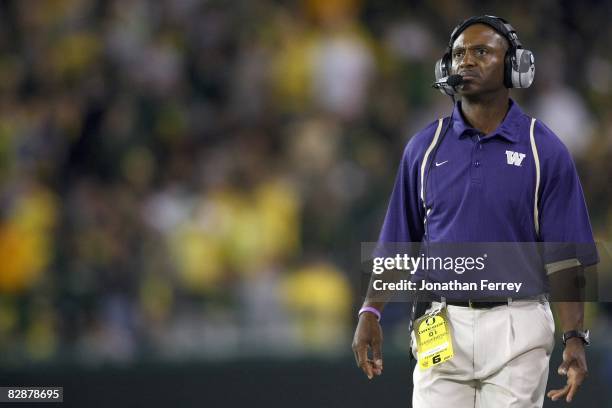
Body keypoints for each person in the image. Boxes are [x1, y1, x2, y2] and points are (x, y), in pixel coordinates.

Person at [352, 15, 598, 407]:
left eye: (481, 52)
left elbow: (566, 258)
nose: (466, 60)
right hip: (439, 323)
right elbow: (399, 241)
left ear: (515, 66)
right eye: (458, 53)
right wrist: (370, 312)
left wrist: (574, 338)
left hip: (518, 326)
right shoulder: (423, 148)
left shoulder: (544, 149)